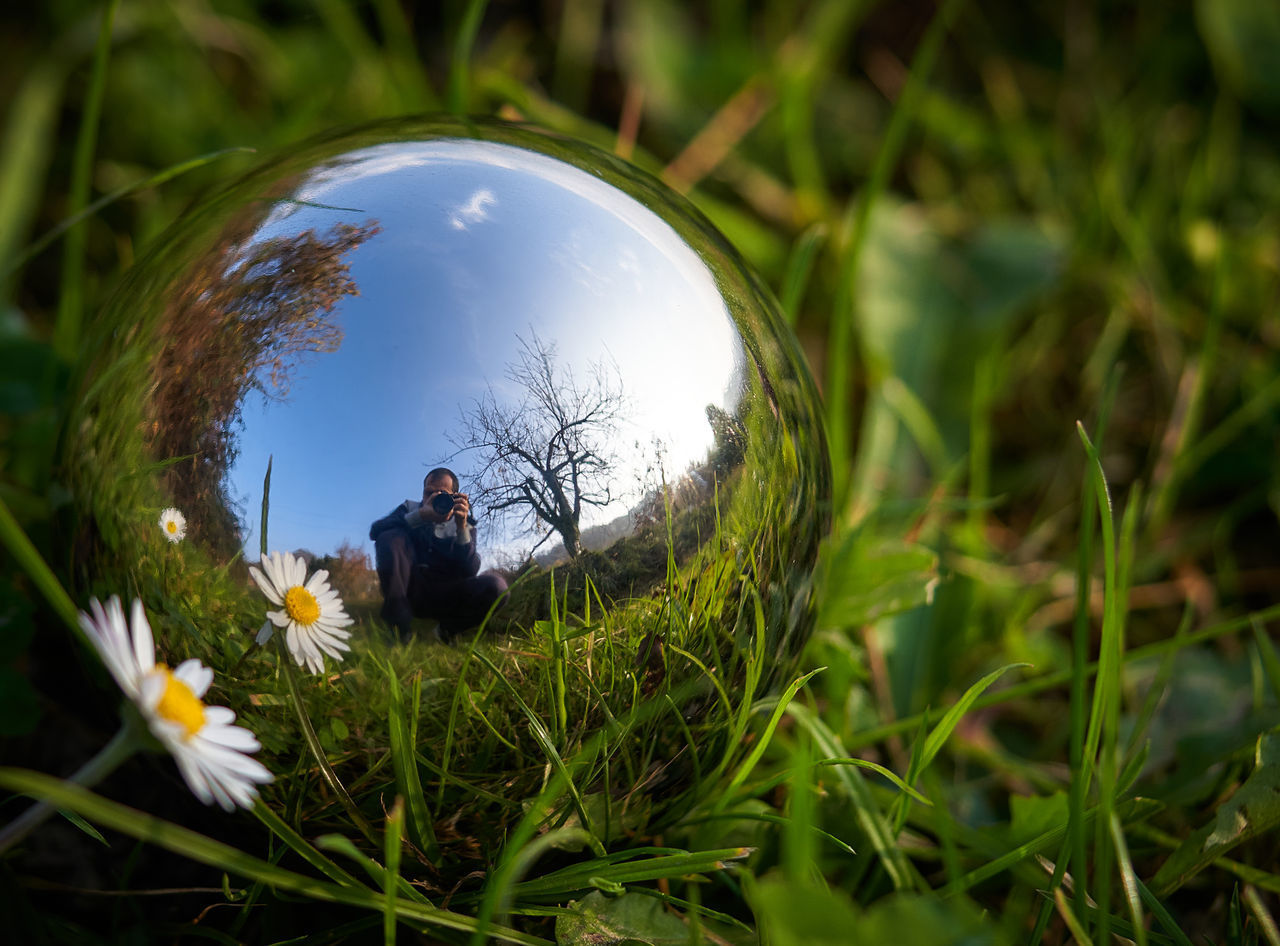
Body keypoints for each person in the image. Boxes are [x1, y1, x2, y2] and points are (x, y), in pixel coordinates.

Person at [370, 467, 508, 641]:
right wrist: (419, 516)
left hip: (448, 595)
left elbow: (470, 570)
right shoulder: (410, 508)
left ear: (455, 497)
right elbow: (376, 531)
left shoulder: (464, 524)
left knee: (497, 587)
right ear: (422, 493)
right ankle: (399, 627)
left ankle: (446, 630)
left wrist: (461, 528)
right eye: (429, 493)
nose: (434, 498)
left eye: (442, 494)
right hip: (410, 592)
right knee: (390, 535)